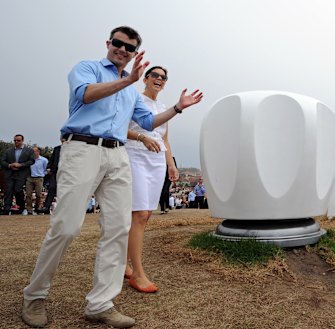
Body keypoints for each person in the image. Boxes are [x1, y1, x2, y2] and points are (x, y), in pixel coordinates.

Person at [21, 26, 203, 328]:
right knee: (66, 227)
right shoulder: (88, 68)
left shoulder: (131, 91)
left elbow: (148, 122)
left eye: (129, 47)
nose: (122, 49)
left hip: (118, 155)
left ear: (134, 53)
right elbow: (86, 95)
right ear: (109, 43)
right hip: (83, 148)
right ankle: (34, 295)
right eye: (118, 43)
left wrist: (177, 108)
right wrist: (128, 81)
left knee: (119, 228)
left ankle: (101, 303)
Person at [124, 66, 179, 294]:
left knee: (145, 215)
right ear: (145, 79)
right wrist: (141, 137)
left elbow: (164, 139)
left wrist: (171, 164)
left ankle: (124, 264)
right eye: (154, 75)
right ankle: (137, 273)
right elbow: (118, 127)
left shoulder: (164, 108)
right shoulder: (134, 99)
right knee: (140, 214)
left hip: (156, 160)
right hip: (134, 153)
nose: (159, 79)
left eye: (163, 77)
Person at [0, 134, 35, 215]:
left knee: (18, 190)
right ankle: (6, 209)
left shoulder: (29, 151)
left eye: (18, 140)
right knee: (8, 191)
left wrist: (20, 165)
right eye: (15, 140)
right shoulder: (8, 151)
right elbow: (2, 161)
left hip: (22, 174)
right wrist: (10, 165)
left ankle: (21, 206)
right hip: (9, 173)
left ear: (22, 141)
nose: (16, 142)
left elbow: (31, 161)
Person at [39, 138, 65, 214]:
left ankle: (64, 209)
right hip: (55, 172)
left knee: (64, 191)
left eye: (65, 140)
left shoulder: (72, 150)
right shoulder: (56, 149)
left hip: (66, 172)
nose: (63, 141)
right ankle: (46, 207)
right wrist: (48, 167)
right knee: (52, 187)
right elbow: (52, 159)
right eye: (62, 139)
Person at [25, 147, 49, 215]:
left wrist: (43, 175)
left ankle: (37, 208)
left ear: (38, 151)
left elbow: (46, 169)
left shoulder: (44, 160)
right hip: (29, 178)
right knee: (28, 194)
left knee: (38, 195)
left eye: (34, 151)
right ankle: (29, 210)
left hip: (39, 178)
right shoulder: (29, 159)